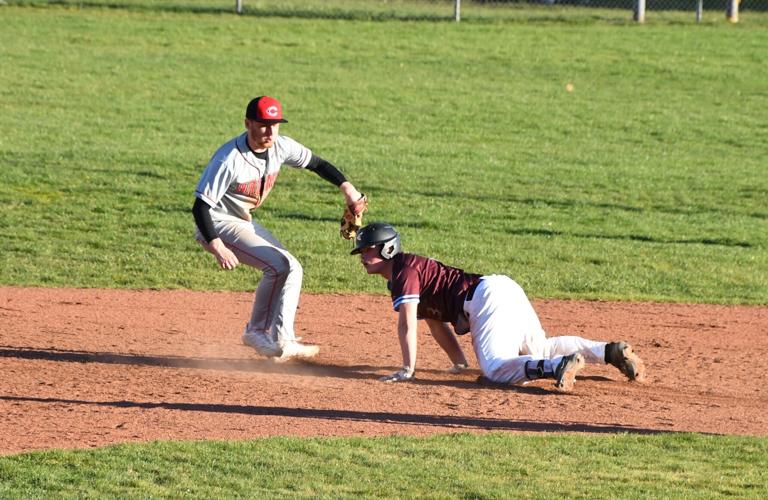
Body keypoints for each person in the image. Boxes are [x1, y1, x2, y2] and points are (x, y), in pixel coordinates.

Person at [350, 222, 647, 392]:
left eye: (368, 249)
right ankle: (607, 351)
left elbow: (407, 324)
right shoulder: (405, 273)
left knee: (495, 370)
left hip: (484, 299)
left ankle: (557, 367)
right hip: (501, 288)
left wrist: (407, 369)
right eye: (361, 250)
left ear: (388, 248)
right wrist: (460, 363)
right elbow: (433, 323)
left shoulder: (404, 270)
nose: (363, 256)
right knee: (539, 348)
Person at [193, 96, 366, 361]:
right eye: (263, 124)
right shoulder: (229, 159)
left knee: (292, 267)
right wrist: (217, 246)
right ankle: (256, 331)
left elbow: (317, 164)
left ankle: (283, 339)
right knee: (278, 266)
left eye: (274, 124)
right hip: (216, 225)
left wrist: (349, 190)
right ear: (247, 123)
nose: (269, 131)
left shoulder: (280, 146)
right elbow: (200, 206)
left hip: (242, 221)